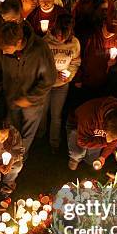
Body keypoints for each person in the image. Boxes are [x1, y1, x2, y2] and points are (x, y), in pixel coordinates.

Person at [0, 21, 57, 158]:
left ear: (19, 42)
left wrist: (30, 98)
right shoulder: (1, 47)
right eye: (1, 49)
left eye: (6, 49)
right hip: (11, 97)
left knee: (28, 133)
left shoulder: (40, 49)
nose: (3, 52)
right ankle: (10, 154)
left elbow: (49, 79)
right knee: (12, 129)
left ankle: (20, 157)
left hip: (33, 103)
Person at [41, 13, 81, 153]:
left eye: (64, 35)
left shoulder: (74, 43)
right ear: (54, 28)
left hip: (62, 85)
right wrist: (52, 73)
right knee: (43, 112)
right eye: (58, 33)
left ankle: (54, 142)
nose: (60, 38)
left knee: (56, 115)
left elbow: (76, 62)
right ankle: (40, 136)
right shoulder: (45, 41)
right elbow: (40, 63)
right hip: (45, 84)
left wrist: (69, 75)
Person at [67, 97, 117, 171]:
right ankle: (75, 158)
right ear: (104, 126)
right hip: (77, 126)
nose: (110, 141)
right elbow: (82, 141)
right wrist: (104, 142)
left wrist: (103, 156)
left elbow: (114, 141)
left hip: (97, 134)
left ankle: (86, 157)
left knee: (91, 160)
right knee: (78, 153)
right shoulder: (89, 117)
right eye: (109, 136)